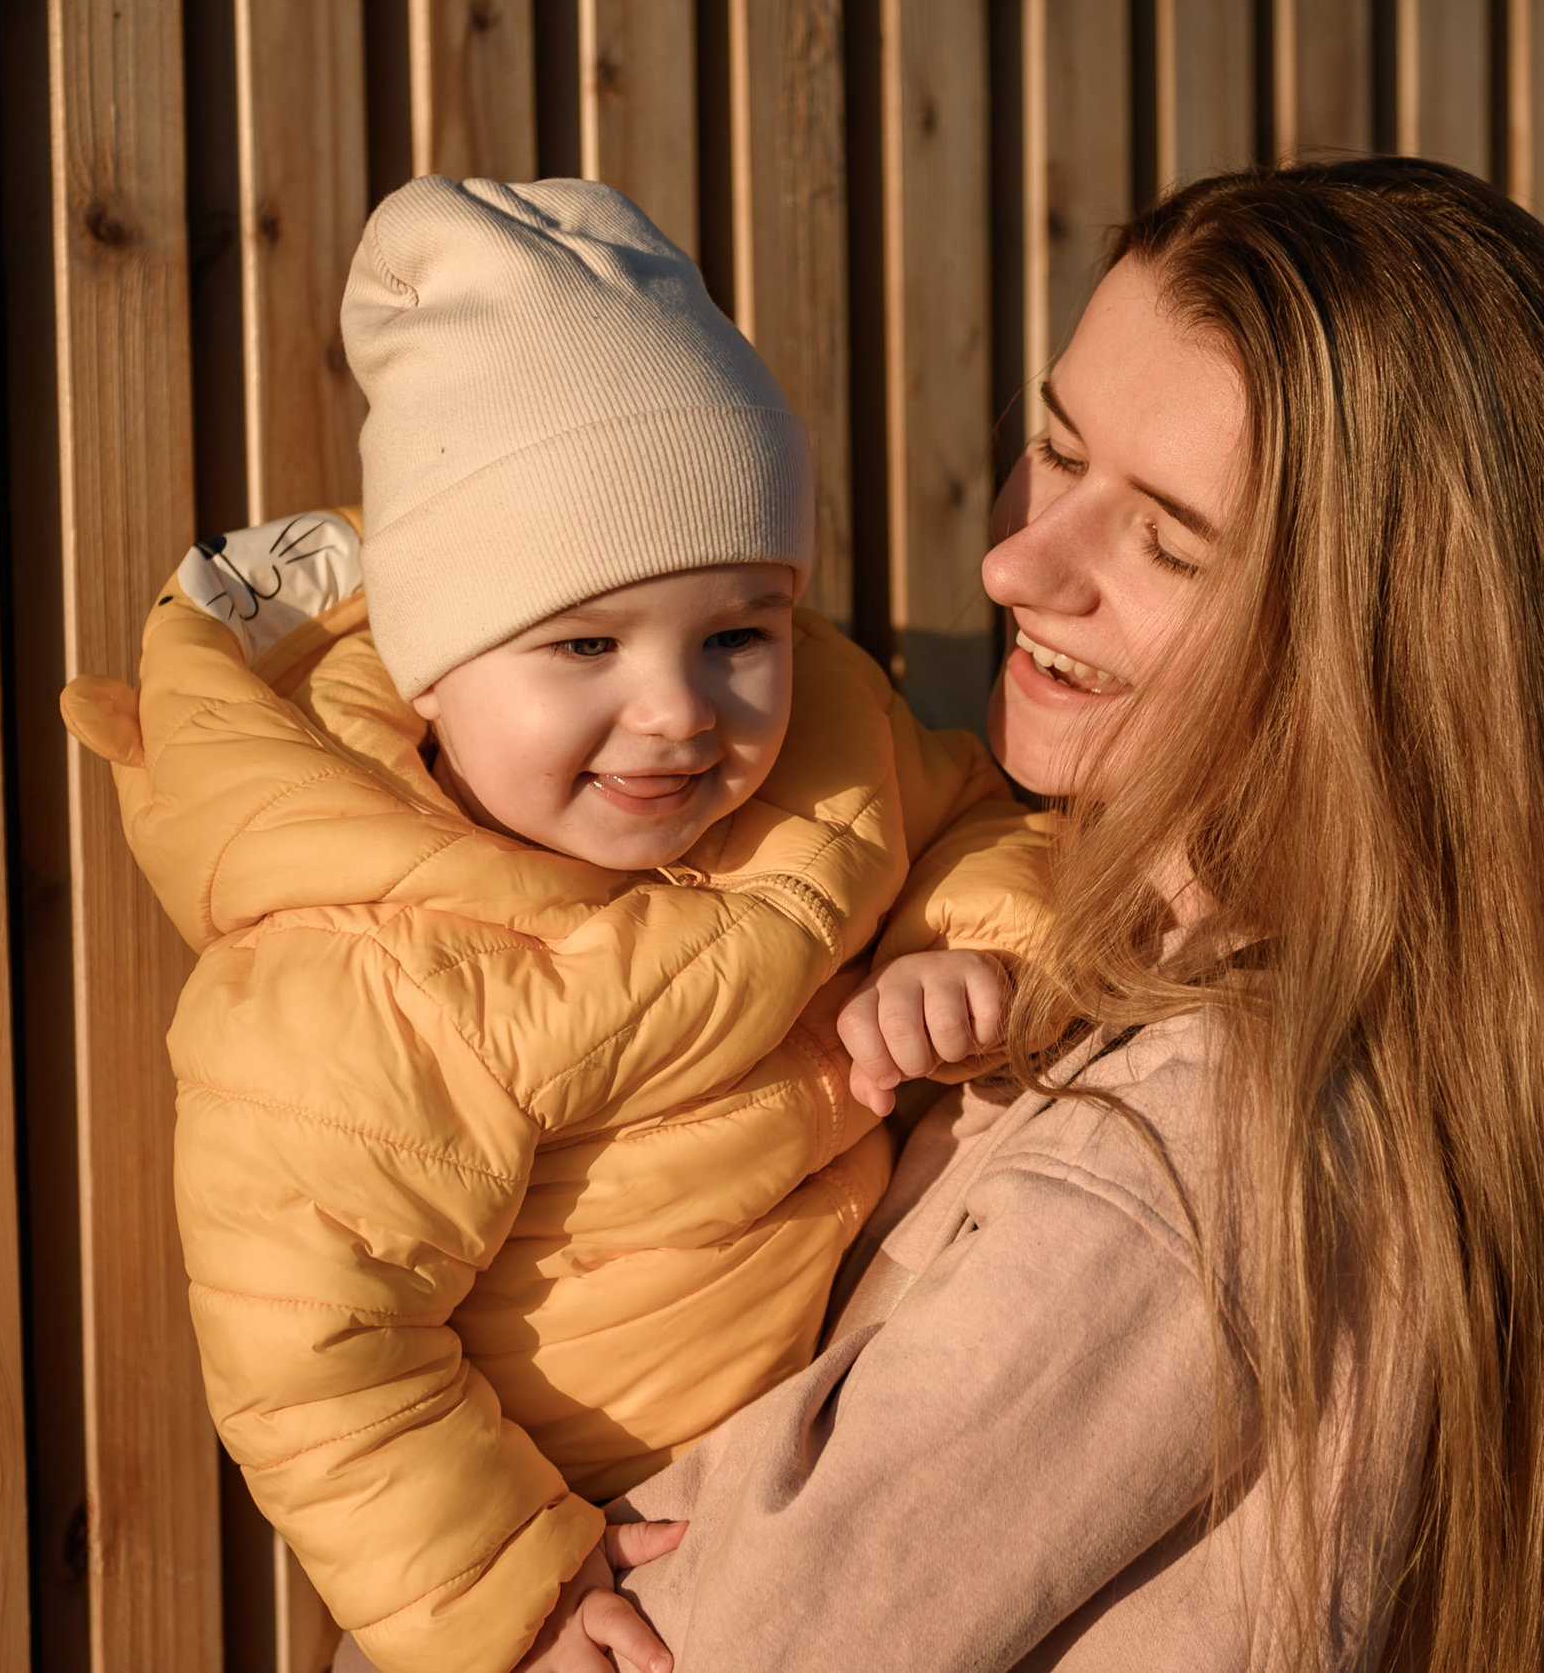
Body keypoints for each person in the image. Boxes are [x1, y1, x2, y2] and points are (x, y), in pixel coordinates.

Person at [601, 156, 1544, 1670]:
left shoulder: (1190, 1146)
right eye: (1055, 446)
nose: (1016, 560)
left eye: (1164, 539)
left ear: (1392, 649)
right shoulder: (1375, 1054)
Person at [60, 176, 1047, 1673]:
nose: (675, 709)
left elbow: (979, 819)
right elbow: (316, 1346)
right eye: (583, 642)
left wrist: (959, 949)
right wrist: (513, 1589)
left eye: (738, 633)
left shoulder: (833, 750)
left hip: (849, 1420)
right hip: (584, 1539)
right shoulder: (367, 962)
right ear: (429, 667)